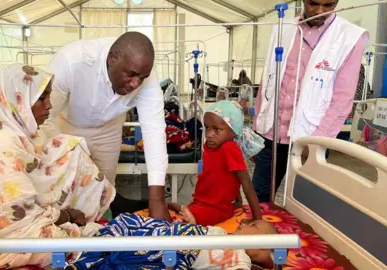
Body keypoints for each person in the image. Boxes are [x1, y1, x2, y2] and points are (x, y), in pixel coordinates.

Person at [0, 64, 115, 268]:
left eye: (48, 97)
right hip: (1, 225)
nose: (48, 106)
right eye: (41, 98)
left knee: (68, 147)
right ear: (17, 101)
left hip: (24, 209)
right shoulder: (3, 146)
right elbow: (18, 211)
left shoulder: (24, 134)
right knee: (58, 243)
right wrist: (65, 215)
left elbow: (41, 170)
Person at [44, 31, 170, 220]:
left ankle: (97, 233)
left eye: (141, 78)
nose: (136, 84)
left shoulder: (147, 77)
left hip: (109, 130)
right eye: (131, 75)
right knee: (65, 189)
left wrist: (157, 199)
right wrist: (66, 148)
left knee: (103, 193)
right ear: (112, 58)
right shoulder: (71, 62)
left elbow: (154, 131)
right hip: (68, 127)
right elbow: (45, 115)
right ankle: (65, 232)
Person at [253, 0, 369, 203]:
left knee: (302, 205)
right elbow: (267, 80)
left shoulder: (350, 37)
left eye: (328, 5)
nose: (319, 11)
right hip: (271, 134)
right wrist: (257, 130)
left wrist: (316, 142)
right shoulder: (283, 29)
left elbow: (343, 99)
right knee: (258, 197)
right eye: (313, 3)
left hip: (308, 136)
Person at [66, 213, 278, 270]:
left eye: (254, 225)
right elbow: (203, 232)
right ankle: (106, 237)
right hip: (175, 233)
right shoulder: (224, 234)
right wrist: (193, 224)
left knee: (134, 250)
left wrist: (269, 263)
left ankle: (85, 260)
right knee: (131, 224)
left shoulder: (239, 257)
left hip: (180, 251)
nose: (244, 223)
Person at [169, 100, 263, 226]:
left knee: (189, 219)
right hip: (202, 201)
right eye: (207, 128)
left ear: (234, 131)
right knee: (192, 211)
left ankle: (188, 215)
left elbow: (245, 182)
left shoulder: (229, 148)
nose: (209, 134)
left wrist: (257, 219)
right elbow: (229, 176)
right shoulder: (210, 146)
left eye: (217, 130)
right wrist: (238, 202)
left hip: (217, 207)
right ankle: (186, 211)